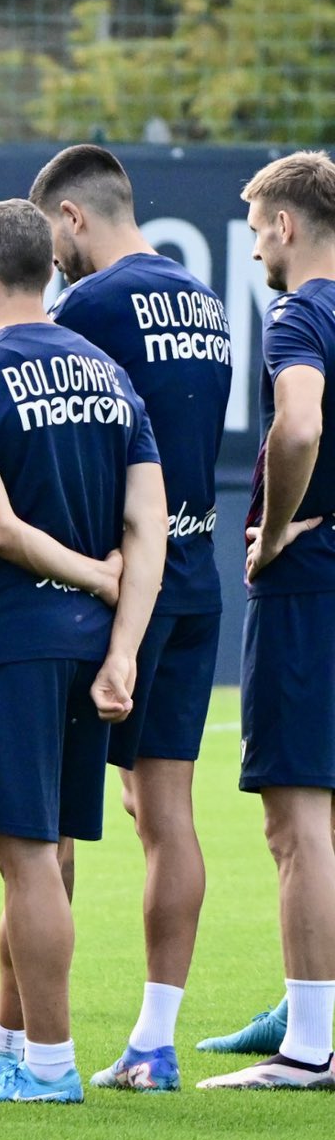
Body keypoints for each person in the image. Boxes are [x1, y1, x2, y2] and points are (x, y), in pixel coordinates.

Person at [0, 198, 164, 1106]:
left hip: (16, 640)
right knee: (51, 851)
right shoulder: (111, 376)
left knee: (25, 858)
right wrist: (124, 649)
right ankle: (6, 1038)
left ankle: (50, 1066)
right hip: (89, 646)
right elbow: (148, 528)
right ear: (51, 269)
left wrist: (96, 585)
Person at [27, 144, 231, 1091]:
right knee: (167, 809)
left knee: (51, 809)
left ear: (71, 220)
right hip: (196, 577)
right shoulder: (208, 301)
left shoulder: (91, 307)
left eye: (52, 238)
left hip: (116, 586)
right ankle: (154, 1038)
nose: (52, 258)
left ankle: (23, 1042)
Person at [199, 151, 335, 1090]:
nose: (254, 250)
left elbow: (298, 427)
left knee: (297, 818)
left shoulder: (302, 312)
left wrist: (276, 529)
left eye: (255, 230)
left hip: (311, 586)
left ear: (285, 225)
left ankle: (312, 1044)